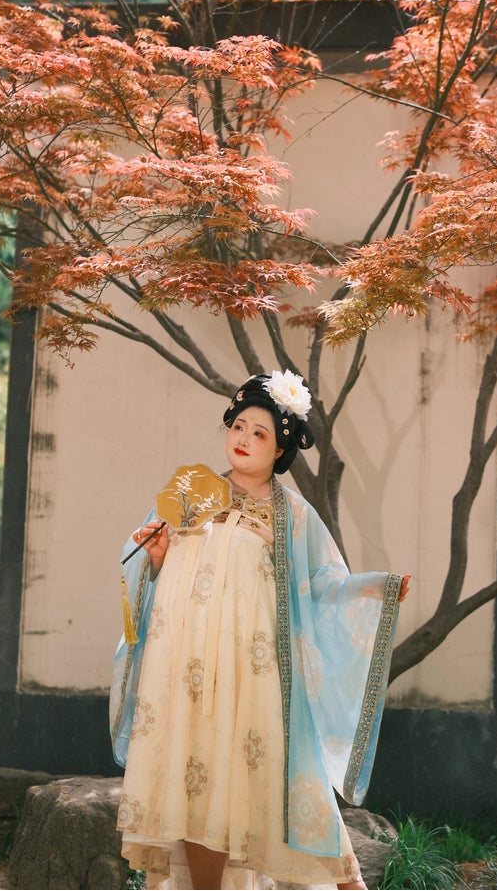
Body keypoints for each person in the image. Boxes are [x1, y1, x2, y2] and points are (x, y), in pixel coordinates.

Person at [110, 370, 411, 891]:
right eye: (238, 426)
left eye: (259, 433)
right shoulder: (189, 490)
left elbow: (322, 584)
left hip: (252, 674)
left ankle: (348, 883)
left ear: (280, 451)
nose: (244, 439)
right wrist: (154, 557)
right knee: (195, 781)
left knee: (285, 779)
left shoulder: (291, 513)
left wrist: (373, 590)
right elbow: (146, 568)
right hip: (184, 670)